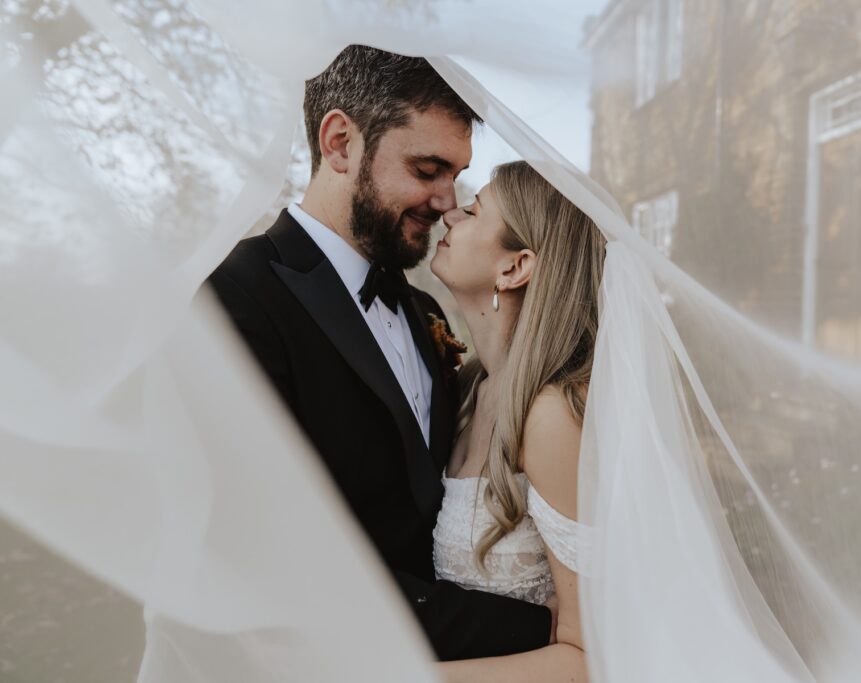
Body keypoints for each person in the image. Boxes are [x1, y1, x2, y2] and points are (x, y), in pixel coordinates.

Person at [207, 46, 552, 660]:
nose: (449, 201)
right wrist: (540, 632)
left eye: (457, 175)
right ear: (340, 142)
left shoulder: (425, 314)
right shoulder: (236, 297)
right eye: (427, 170)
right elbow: (267, 558)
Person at [430, 161, 606, 682]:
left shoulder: (549, 416)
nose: (449, 215)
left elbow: (587, 657)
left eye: (474, 210)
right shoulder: (468, 391)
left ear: (514, 267)